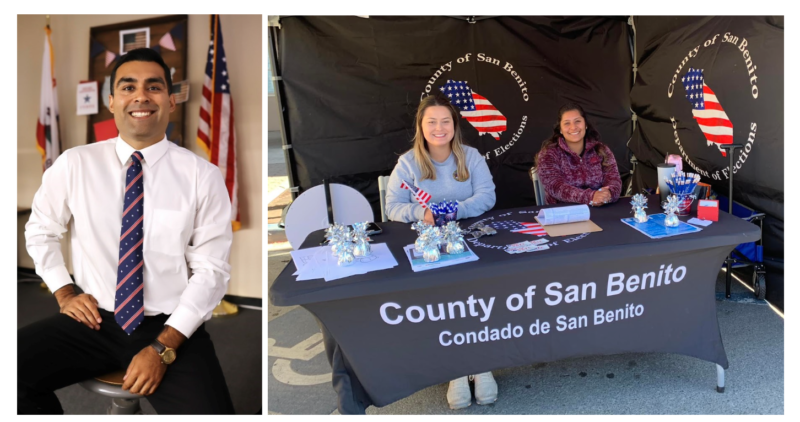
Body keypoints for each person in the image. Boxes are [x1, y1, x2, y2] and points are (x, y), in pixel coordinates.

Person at [19, 48, 235, 414]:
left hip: (171, 325)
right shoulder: (75, 163)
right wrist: (65, 292)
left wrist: (162, 348)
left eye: (154, 87)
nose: (141, 96)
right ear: (111, 102)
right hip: (93, 320)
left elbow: (211, 271)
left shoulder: (203, 176)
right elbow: (41, 230)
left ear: (170, 99)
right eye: (128, 86)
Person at [385, 95, 497, 410]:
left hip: (471, 239)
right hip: (429, 245)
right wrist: (424, 214)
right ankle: (456, 371)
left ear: (454, 125)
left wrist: (454, 210)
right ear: (421, 127)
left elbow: (487, 196)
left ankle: (482, 364)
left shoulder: (471, 156)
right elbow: (393, 206)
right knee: (445, 303)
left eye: (445, 121)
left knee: (478, 299)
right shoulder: (407, 163)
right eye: (431, 121)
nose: (439, 128)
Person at [535, 102, 622, 206]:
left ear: (585, 125)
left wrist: (609, 194)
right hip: (563, 214)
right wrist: (590, 197)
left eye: (578, 121)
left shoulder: (601, 150)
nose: (573, 127)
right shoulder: (548, 154)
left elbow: (614, 180)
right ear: (560, 129)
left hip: (600, 210)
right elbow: (555, 186)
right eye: (567, 123)